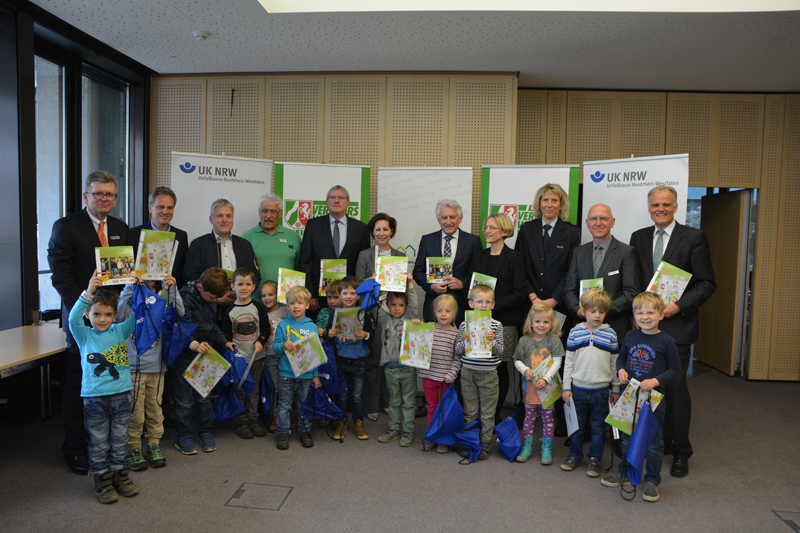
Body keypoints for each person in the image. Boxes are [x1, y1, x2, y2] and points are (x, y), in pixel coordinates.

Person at [629, 186, 716, 477]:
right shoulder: (639, 237)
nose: (660, 208)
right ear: (649, 208)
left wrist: (679, 306)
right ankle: (659, 442)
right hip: (645, 329)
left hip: (677, 328)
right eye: (655, 204)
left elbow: (706, 283)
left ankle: (681, 451)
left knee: (676, 391)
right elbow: (637, 282)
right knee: (647, 387)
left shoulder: (693, 237)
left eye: (666, 204)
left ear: (676, 207)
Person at [48, 171, 130, 475]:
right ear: (86, 196)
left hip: (114, 323)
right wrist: (87, 310)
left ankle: (109, 446)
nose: (104, 199)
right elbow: (61, 278)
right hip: (84, 320)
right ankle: (75, 449)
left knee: (112, 378)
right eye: (98, 194)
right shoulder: (66, 227)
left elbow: (121, 278)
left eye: (109, 194)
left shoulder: (120, 228)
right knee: (79, 382)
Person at [602, 291, 681, 503]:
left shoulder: (667, 341)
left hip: (653, 400)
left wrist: (656, 381)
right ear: (634, 315)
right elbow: (621, 359)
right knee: (627, 438)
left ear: (661, 315)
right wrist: (621, 371)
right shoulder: (630, 336)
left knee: (653, 442)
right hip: (630, 396)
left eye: (650, 312)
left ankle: (653, 480)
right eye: (639, 313)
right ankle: (626, 472)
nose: (644, 317)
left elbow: (675, 370)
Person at [515, 183, 579, 436]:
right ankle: (526, 409)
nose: (549, 205)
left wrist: (554, 298)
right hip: (530, 303)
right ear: (538, 203)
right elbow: (521, 264)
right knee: (530, 356)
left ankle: (559, 418)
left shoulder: (571, 232)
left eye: (554, 201)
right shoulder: (527, 229)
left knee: (556, 359)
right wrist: (532, 295)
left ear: (561, 204)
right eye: (545, 200)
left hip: (559, 305)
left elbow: (572, 269)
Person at [69, 270, 137, 504]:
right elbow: (72, 319)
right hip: (95, 398)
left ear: (115, 315)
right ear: (88, 314)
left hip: (121, 396)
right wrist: (89, 291)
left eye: (108, 314)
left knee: (119, 440)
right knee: (98, 443)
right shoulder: (83, 334)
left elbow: (142, 314)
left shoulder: (120, 330)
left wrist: (138, 287)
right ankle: (102, 480)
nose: (102, 318)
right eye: (97, 314)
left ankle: (120, 475)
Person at [115, 274, 183, 471]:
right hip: (133, 370)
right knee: (135, 414)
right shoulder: (128, 307)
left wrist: (172, 289)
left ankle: (154, 445)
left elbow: (180, 313)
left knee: (155, 410)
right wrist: (130, 287)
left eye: (149, 287)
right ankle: (133, 448)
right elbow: (117, 313)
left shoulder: (160, 304)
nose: (146, 291)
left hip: (157, 368)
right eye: (141, 287)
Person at [471, 212, 528, 424]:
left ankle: (494, 414)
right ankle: (479, 412)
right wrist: (481, 308)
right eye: (485, 227)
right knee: (478, 365)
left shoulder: (515, 258)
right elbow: (472, 289)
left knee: (499, 367)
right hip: (478, 321)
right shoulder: (479, 256)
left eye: (491, 227)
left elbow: (520, 293)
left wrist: (492, 308)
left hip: (504, 321)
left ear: (504, 231)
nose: (486, 230)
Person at [173, 268, 236, 455]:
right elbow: (181, 326)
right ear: (199, 287)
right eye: (211, 297)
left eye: (217, 298)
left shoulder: (212, 297)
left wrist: (225, 342)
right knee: (183, 401)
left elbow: (212, 325)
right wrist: (194, 344)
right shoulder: (184, 297)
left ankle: (206, 432)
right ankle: (183, 436)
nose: (214, 301)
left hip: (206, 353)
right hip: (185, 354)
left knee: (204, 398)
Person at [560, 288, 620, 477]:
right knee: (577, 427)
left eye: (601, 311)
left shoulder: (611, 334)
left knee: (598, 427)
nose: (597, 315)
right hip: (577, 389)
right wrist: (566, 387)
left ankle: (595, 459)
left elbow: (615, 364)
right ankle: (575, 455)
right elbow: (568, 362)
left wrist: (616, 389)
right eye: (592, 311)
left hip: (601, 391)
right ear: (583, 310)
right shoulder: (575, 332)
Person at [563, 203, 639, 342]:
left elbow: (631, 293)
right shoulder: (578, 253)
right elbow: (569, 290)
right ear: (587, 223)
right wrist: (578, 310)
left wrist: (599, 312)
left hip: (614, 330)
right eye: (593, 219)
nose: (598, 223)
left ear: (612, 222)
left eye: (603, 218)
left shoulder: (626, 253)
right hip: (582, 331)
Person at [356, 212, 406, 421]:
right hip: (373, 314)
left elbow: (402, 289)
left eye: (386, 229)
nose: (381, 233)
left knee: (392, 360)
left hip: (394, 315)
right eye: (378, 229)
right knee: (374, 361)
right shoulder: (365, 255)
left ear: (392, 232)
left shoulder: (400, 256)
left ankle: (388, 401)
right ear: (372, 233)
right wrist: (373, 281)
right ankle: (372, 404)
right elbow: (358, 286)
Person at [298, 185, 371, 313]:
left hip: (351, 296)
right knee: (322, 330)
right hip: (320, 297)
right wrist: (311, 294)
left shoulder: (361, 228)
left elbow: (364, 265)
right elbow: (305, 261)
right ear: (327, 202)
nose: (336, 200)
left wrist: (361, 295)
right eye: (332, 197)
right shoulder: (313, 225)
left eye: (341, 197)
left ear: (348, 202)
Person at [455, 285, 504, 460]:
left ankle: (484, 444)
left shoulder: (497, 326)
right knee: (470, 411)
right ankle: (470, 442)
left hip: (489, 374)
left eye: (488, 302)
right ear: (471, 303)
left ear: (493, 304)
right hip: (468, 372)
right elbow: (458, 349)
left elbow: (500, 351)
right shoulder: (464, 324)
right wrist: (466, 341)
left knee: (488, 412)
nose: (483, 305)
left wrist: (491, 341)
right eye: (480, 301)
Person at [413, 199, 482, 326]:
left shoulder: (473, 241)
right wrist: (431, 286)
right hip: (434, 309)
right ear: (438, 219)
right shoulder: (427, 240)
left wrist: (463, 283)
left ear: (460, 218)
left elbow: (480, 273)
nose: (448, 222)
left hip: (462, 309)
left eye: (453, 217)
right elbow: (417, 272)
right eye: (444, 217)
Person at [221, 267, 271, 439]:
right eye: (239, 284)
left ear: (254, 287)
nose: (244, 287)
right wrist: (232, 350)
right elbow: (226, 337)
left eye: (248, 284)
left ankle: (253, 419)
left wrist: (261, 341)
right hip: (239, 361)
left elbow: (266, 329)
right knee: (239, 390)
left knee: (254, 390)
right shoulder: (229, 312)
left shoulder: (258, 307)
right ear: (232, 287)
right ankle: (241, 421)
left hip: (257, 358)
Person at [184, 199, 261, 308]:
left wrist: (242, 294)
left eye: (228, 216)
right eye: (220, 216)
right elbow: (191, 278)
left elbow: (255, 276)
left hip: (241, 309)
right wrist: (216, 299)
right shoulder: (198, 245)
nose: (225, 220)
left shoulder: (245, 245)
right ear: (211, 219)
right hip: (208, 312)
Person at [512, 303, 564, 465]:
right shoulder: (524, 341)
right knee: (529, 417)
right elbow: (517, 360)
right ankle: (527, 447)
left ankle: (546, 448)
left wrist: (546, 378)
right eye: (538, 322)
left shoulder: (554, 340)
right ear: (531, 323)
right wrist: (525, 370)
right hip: (530, 388)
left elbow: (557, 362)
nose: (541, 325)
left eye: (546, 322)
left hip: (548, 387)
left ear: (552, 323)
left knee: (548, 418)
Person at [272, 286, 323, 450]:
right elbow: (275, 347)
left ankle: (305, 431)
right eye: (292, 303)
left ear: (307, 305)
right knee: (284, 405)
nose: (296, 306)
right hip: (287, 372)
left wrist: (316, 376)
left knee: (304, 404)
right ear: (287, 305)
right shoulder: (282, 325)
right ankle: (283, 433)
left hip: (307, 374)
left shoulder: (312, 326)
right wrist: (283, 345)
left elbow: (315, 353)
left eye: (300, 303)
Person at [326, 276, 374, 441]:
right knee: (343, 395)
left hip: (359, 362)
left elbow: (372, 335)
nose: (348, 296)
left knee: (357, 396)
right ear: (339, 295)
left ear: (358, 296)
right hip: (341, 361)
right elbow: (328, 335)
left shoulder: (363, 313)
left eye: (352, 293)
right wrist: (329, 334)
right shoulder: (334, 314)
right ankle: (341, 421)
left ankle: (358, 422)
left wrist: (365, 334)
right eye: (344, 293)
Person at [376, 275, 419, 447]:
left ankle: (408, 431)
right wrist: (380, 287)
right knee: (393, 402)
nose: (396, 308)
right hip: (390, 368)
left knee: (408, 402)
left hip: (408, 368)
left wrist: (409, 283)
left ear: (406, 307)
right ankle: (393, 429)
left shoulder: (409, 318)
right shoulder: (385, 319)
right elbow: (379, 306)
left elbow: (414, 304)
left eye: (401, 305)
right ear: (387, 305)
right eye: (392, 305)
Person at [418, 294, 461, 453]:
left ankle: (444, 439)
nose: (443, 314)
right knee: (431, 407)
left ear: (454, 314)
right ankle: (431, 436)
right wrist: (415, 324)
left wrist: (452, 374)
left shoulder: (456, 334)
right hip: (428, 377)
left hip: (446, 379)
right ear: (434, 312)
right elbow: (415, 339)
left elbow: (457, 359)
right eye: (440, 310)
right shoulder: (427, 327)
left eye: (448, 311)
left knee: (445, 410)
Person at [128, 186, 189, 289]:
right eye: (160, 207)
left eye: (170, 207)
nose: (165, 212)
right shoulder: (133, 234)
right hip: (142, 296)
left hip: (171, 296)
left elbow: (182, 271)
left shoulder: (181, 236)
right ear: (150, 208)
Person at [241, 193, 301, 290]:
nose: (268, 216)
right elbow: (241, 272)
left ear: (280, 213)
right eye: (264, 211)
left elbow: (299, 268)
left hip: (287, 301)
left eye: (273, 212)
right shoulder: (246, 238)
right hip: (255, 300)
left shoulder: (293, 237)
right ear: (259, 212)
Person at [258, 280, 288, 431]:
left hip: (286, 357)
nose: (267, 298)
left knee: (286, 387)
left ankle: (285, 416)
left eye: (271, 294)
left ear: (279, 295)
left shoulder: (286, 311)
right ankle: (275, 416)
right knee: (275, 387)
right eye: (263, 295)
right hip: (269, 356)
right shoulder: (261, 315)